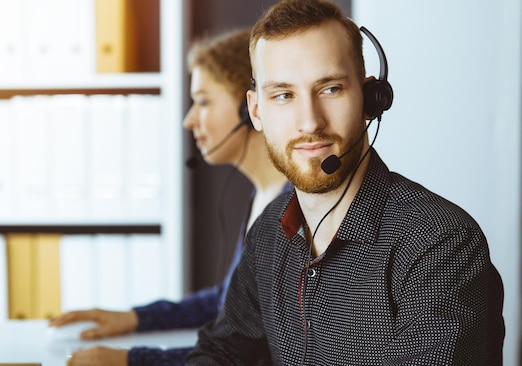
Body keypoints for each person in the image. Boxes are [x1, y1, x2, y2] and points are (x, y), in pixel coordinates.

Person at [186, 0, 506, 365]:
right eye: (283, 95)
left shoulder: (439, 244)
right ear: (256, 111)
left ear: (371, 100)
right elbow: (221, 350)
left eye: (330, 89)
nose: (309, 123)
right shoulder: (270, 233)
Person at [50, 28, 291, 366]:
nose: (189, 119)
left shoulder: (290, 212)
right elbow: (227, 304)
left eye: (204, 101)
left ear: (247, 107)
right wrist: (134, 318)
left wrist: (132, 360)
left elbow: (252, 352)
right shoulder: (263, 194)